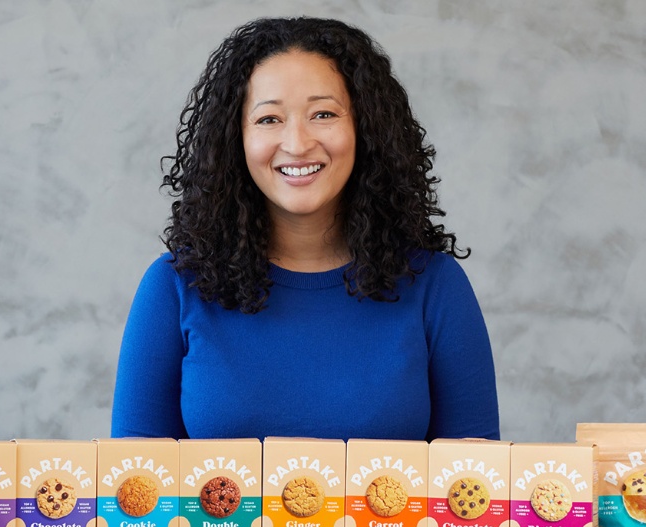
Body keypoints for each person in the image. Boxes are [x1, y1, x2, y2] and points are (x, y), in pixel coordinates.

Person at [110, 17, 498, 441]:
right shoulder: (173, 288)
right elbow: (133, 492)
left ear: (364, 128)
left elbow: (474, 492)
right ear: (234, 139)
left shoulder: (436, 286)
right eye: (268, 119)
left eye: (324, 114)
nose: (297, 143)